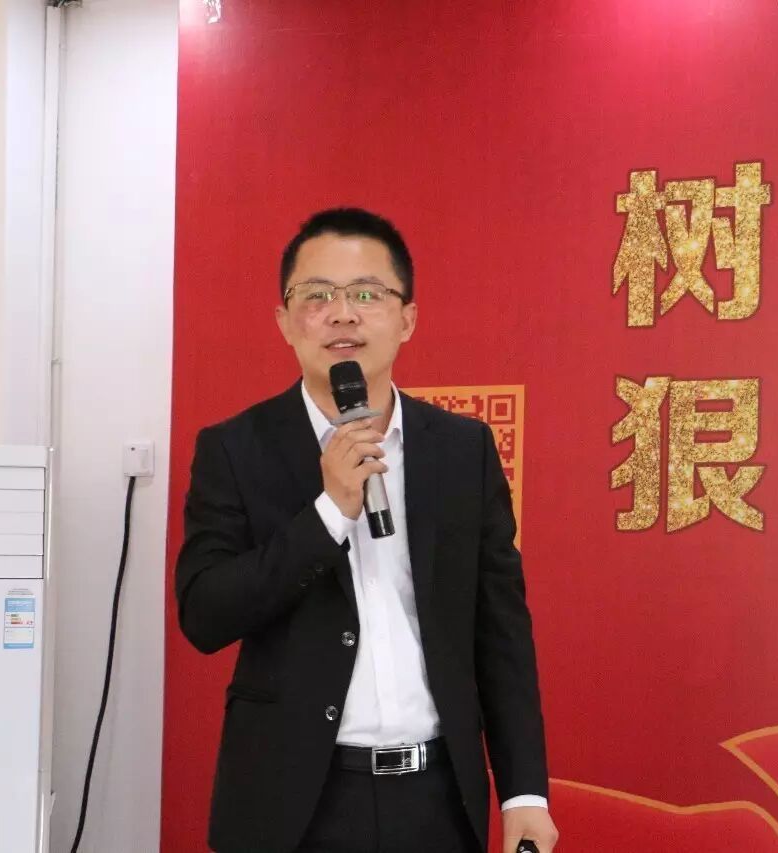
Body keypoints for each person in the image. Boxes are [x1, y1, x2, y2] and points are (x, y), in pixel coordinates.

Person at [174, 208, 558, 853]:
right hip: (293, 806)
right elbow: (205, 614)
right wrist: (330, 511)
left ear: (407, 319)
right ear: (285, 321)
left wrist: (524, 794)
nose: (342, 314)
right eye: (317, 295)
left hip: (438, 799)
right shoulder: (236, 449)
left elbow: (501, 631)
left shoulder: (461, 450)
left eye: (367, 294)